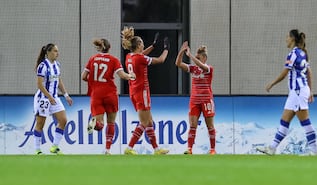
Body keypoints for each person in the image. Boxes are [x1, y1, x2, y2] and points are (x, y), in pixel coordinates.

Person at [256, 29, 317, 155]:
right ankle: (272, 148)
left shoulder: (293, 54)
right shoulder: (304, 53)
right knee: (284, 121)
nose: (286, 39)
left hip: (297, 92)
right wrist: (310, 91)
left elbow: (285, 73)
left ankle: (315, 150)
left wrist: (272, 83)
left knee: (305, 121)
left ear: (292, 39)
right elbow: (309, 72)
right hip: (298, 92)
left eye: (287, 37)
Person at [121, 26, 169, 155]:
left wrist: (153, 46)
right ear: (138, 45)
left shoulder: (129, 57)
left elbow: (140, 55)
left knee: (149, 121)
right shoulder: (140, 59)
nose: (143, 44)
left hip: (133, 92)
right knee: (144, 122)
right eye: (142, 42)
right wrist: (166, 49)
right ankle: (129, 147)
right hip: (142, 91)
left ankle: (156, 149)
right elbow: (160, 60)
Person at [82, 38, 135, 155]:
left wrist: (93, 81)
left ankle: (95, 123)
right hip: (110, 94)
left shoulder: (92, 59)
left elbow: (84, 76)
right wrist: (130, 76)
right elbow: (122, 75)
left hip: (96, 94)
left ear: (99, 47)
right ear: (109, 47)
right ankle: (107, 149)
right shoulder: (113, 60)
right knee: (111, 122)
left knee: (100, 125)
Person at [175, 41, 216, 155]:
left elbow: (201, 65)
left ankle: (212, 149)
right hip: (194, 100)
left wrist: (191, 56)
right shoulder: (193, 69)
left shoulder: (208, 68)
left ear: (204, 58)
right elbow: (178, 63)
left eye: (198, 57)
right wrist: (182, 52)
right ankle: (189, 149)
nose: (196, 59)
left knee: (210, 125)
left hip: (206, 99)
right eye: (196, 57)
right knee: (192, 125)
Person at [33, 43, 73, 155]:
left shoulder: (57, 65)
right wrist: (49, 97)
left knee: (63, 120)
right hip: (43, 99)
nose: (57, 53)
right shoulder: (43, 66)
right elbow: (40, 85)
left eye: (57, 51)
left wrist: (66, 95)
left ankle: (54, 147)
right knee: (40, 123)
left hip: (54, 98)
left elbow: (59, 81)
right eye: (55, 51)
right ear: (48, 52)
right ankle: (37, 150)